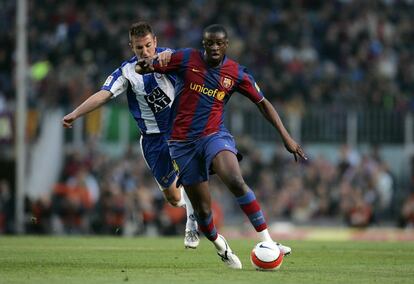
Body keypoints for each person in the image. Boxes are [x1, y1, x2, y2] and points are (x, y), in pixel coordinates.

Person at [136, 24, 307, 269]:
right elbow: (142, 68)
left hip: (214, 135)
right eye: (210, 43)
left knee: (236, 181)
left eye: (219, 43)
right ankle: (221, 246)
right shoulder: (185, 58)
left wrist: (286, 138)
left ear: (226, 45)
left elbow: (263, 103)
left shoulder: (236, 73)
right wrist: (152, 59)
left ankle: (268, 241)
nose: (214, 47)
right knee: (204, 212)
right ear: (203, 44)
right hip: (182, 144)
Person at [62, 22, 199, 248]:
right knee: (173, 199)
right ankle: (192, 204)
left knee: (190, 175)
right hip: (152, 140)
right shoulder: (126, 72)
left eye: (148, 45)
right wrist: (76, 113)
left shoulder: (170, 58)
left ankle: (192, 222)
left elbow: (196, 65)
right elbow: (104, 94)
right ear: (131, 47)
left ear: (155, 41)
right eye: (139, 48)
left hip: (179, 131)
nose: (144, 52)